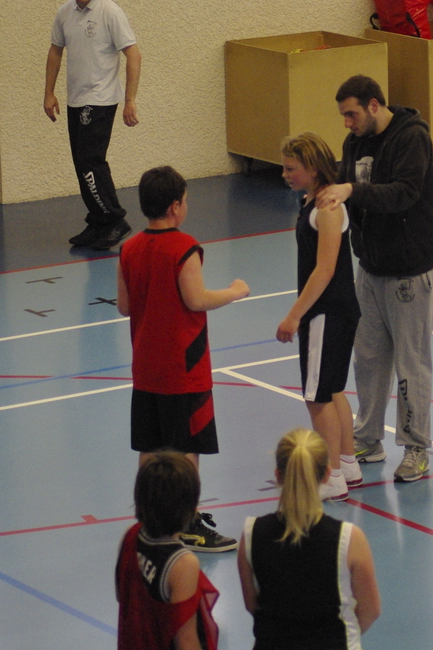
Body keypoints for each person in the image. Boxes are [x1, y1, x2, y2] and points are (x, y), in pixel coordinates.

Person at [316, 75, 433, 483]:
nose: (347, 123)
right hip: (370, 268)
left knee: (411, 362)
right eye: (343, 116)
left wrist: (351, 190)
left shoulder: (412, 137)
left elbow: (403, 193)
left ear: (374, 105)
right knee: (368, 359)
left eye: (352, 114)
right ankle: (368, 438)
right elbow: (345, 186)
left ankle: (416, 447)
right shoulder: (354, 142)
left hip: (411, 269)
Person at [116, 165, 250, 552]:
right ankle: (188, 523)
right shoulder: (184, 247)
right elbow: (196, 299)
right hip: (183, 369)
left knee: (150, 446)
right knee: (187, 449)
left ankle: (149, 520)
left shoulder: (128, 249)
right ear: (175, 206)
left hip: (146, 369)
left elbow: (124, 306)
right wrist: (235, 291)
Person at [275, 133, 363, 502]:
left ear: (312, 168)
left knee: (317, 396)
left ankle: (331, 477)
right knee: (332, 389)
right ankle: (348, 463)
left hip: (325, 313)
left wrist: (294, 316)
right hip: (336, 310)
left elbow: (324, 269)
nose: (285, 174)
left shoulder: (326, 208)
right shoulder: (312, 201)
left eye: (291, 168)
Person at [238, 429, 381, 649]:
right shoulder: (350, 538)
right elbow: (370, 611)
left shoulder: (251, 533)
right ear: (327, 475)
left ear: (278, 475)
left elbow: (252, 605)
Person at [45, 0, 141, 251]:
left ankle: (115, 220)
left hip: (100, 99)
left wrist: (130, 100)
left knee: (91, 160)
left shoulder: (110, 12)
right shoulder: (65, 13)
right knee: (80, 162)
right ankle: (98, 221)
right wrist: (49, 92)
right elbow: (55, 51)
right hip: (76, 99)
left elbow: (133, 54)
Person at [116, 451, 220, 650]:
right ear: (190, 505)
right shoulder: (182, 563)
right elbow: (186, 640)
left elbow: (122, 596)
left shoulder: (130, 536)